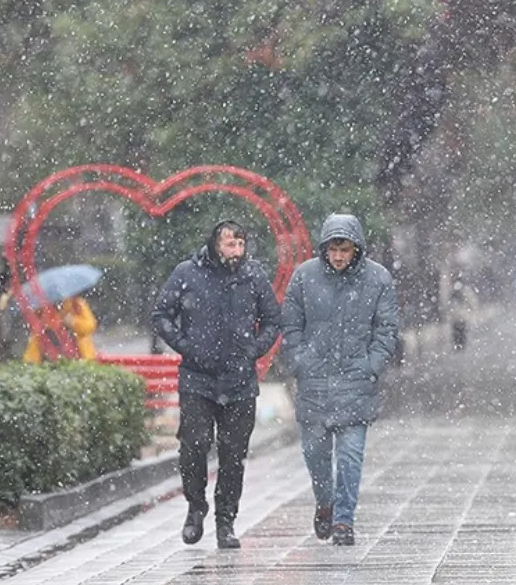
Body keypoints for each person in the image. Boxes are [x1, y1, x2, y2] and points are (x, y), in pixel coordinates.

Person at [152, 219, 282, 549]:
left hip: (239, 380)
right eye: (229, 245)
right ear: (215, 244)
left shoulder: (252, 276)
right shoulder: (187, 273)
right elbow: (161, 315)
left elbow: (272, 320)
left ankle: (226, 521)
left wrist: (254, 348)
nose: (235, 252)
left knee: (233, 455)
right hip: (198, 378)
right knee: (194, 445)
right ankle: (196, 506)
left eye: (240, 245)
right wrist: (186, 345)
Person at [281, 214, 399, 546]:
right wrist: (300, 362)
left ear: (356, 248)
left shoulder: (378, 279)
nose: (338, 257)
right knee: (315, 456)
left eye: (344, 249)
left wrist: (370, 365)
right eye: (333, 249)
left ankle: (344, 519)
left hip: (356, 383)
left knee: (350, 457)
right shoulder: (304, 277)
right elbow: (290, 324)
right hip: (314, 384)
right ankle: (326, 503)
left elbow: (386, 329)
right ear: (324, 248)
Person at [21, 295, 98, 363]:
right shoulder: (40, 306)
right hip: (47, 357)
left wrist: (73, 321)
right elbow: (36, 328)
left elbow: (90, 326)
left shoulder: (76, 304)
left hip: (79, 357)